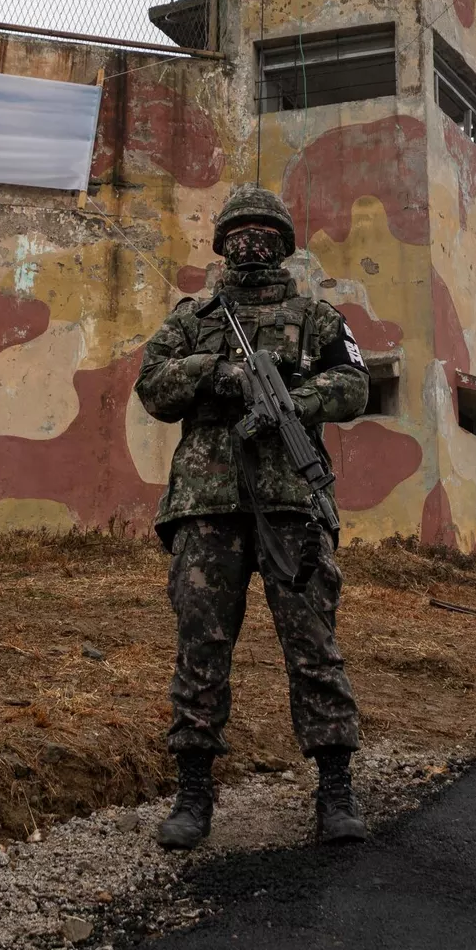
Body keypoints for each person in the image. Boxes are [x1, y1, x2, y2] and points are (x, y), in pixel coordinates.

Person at [134, 184, 370, 849]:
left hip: (292, 499)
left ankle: (335, 787)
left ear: (284, 244)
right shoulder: (193, 319)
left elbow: (354, 384)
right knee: (201, 648)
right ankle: (193, 792)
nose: (250, 243)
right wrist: (215, 373)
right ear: (221, 245)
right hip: (206, 505)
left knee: (314, 644)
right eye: (239, 232)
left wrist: (291, 401)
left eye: (263, 232)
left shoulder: (316, 317)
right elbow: (151, 385)